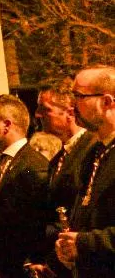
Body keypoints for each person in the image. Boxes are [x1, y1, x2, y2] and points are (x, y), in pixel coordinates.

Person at [45, 65, 115, 278]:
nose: (72, 105)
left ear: (107, 102)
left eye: (79, 96)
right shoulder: (93, 152)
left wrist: (84, 243)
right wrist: (68, 245)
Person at [0, 93, 50, 278]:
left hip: (17, 274)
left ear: (6, 125)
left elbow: (34, 224)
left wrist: (14, 266)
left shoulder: (35, 166)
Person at [37, 79, 96, 217]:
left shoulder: (92, 149)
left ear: (70, 113)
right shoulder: (59, 157)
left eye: (45, 109)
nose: (37, 114)